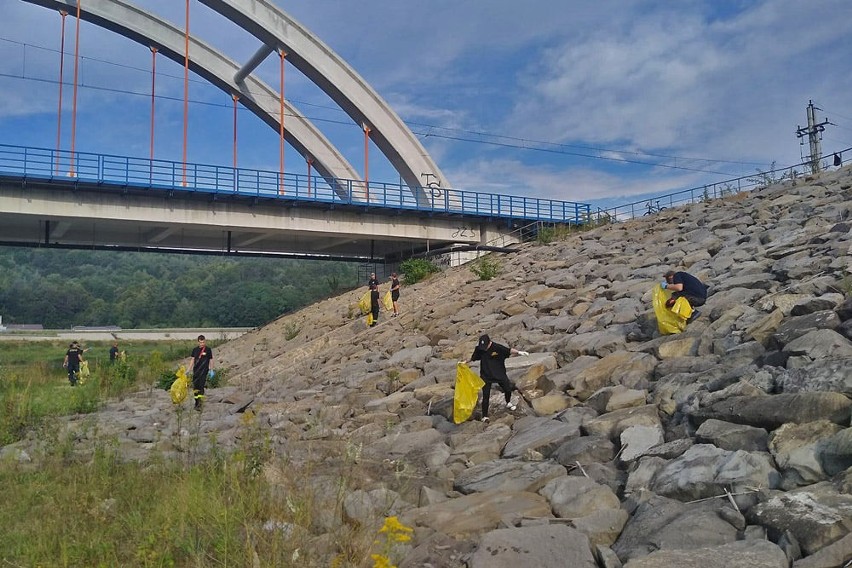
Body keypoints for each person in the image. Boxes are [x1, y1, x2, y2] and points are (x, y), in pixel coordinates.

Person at [461, 334, 529, 422]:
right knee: (486, 396)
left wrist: (519, 352)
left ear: (489, 343)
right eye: (482, 347)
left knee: (507, 389)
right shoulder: (479, 349)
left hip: (499, 373)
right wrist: (465, 362)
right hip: (486, 375)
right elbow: (474, 358)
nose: (484, 348)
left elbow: (508, 350)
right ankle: (484, 416)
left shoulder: (497, 347)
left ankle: (508, 402)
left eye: (485, 346)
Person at [188, 335, 214, 410]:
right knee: (195, 387)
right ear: (198, 342)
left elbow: (211, 360)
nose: (202, 344)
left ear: (205, 341)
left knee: (201, 387)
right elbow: (192, 360)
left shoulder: (208, 350)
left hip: (204, 371)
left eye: (203, 342)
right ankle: (196, 402)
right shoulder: (195, 350)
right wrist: (188, 369)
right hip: (196, 371)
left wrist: (211, 370)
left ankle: (200, 403)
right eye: (200, 342)